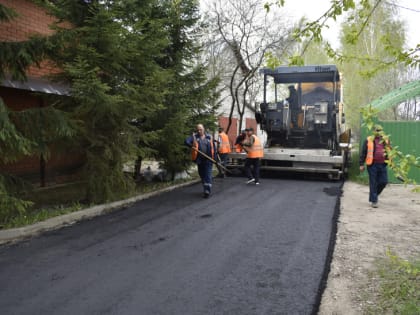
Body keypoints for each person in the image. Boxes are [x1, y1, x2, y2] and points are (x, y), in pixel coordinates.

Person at [359, 125, 391, 208]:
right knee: (373, 183)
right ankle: (374, 201)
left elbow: (390, 152)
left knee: (384, 182)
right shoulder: (368, 140)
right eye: (377, 130)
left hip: (383, 164)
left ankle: (374, 195)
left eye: (380, 130)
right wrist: (361, 164)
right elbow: (363, 152)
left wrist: (390, 161)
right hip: (372, 165)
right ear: (373, 131)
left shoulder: (386, 140)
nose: (378, 132)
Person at [185, 124, 215, 198]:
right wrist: (190, 144)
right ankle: (205, 187)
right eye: (198, 130)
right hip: (200, 160)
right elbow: (186, 141)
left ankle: (207, 190)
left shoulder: (209, 137)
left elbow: (213, 148)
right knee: (202, 175)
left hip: (208, 159)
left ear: (203, 129)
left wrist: (215, 158)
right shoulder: (194, 137)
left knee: (208, 174)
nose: (199, 131)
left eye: (200, 129)